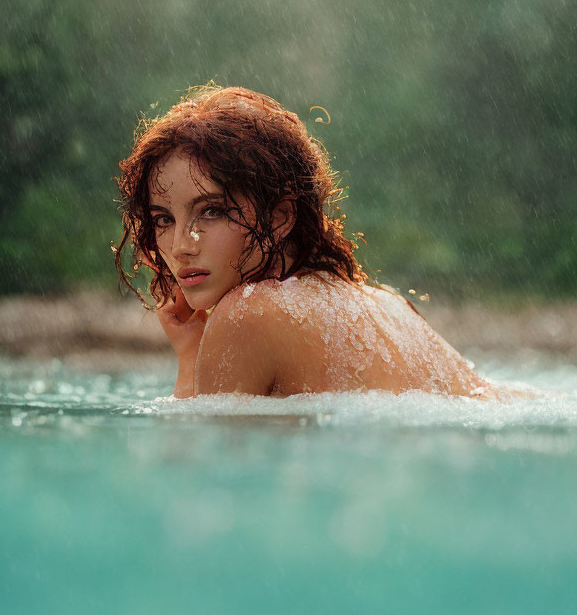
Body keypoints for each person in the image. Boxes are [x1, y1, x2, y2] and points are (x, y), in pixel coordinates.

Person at [114, 83, 510, 400]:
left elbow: (201, 478)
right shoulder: (384, 303)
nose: (182, 244)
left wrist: (188, 362)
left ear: (281, 216)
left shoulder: (245, 314)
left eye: (212, 211)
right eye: (163, 219)